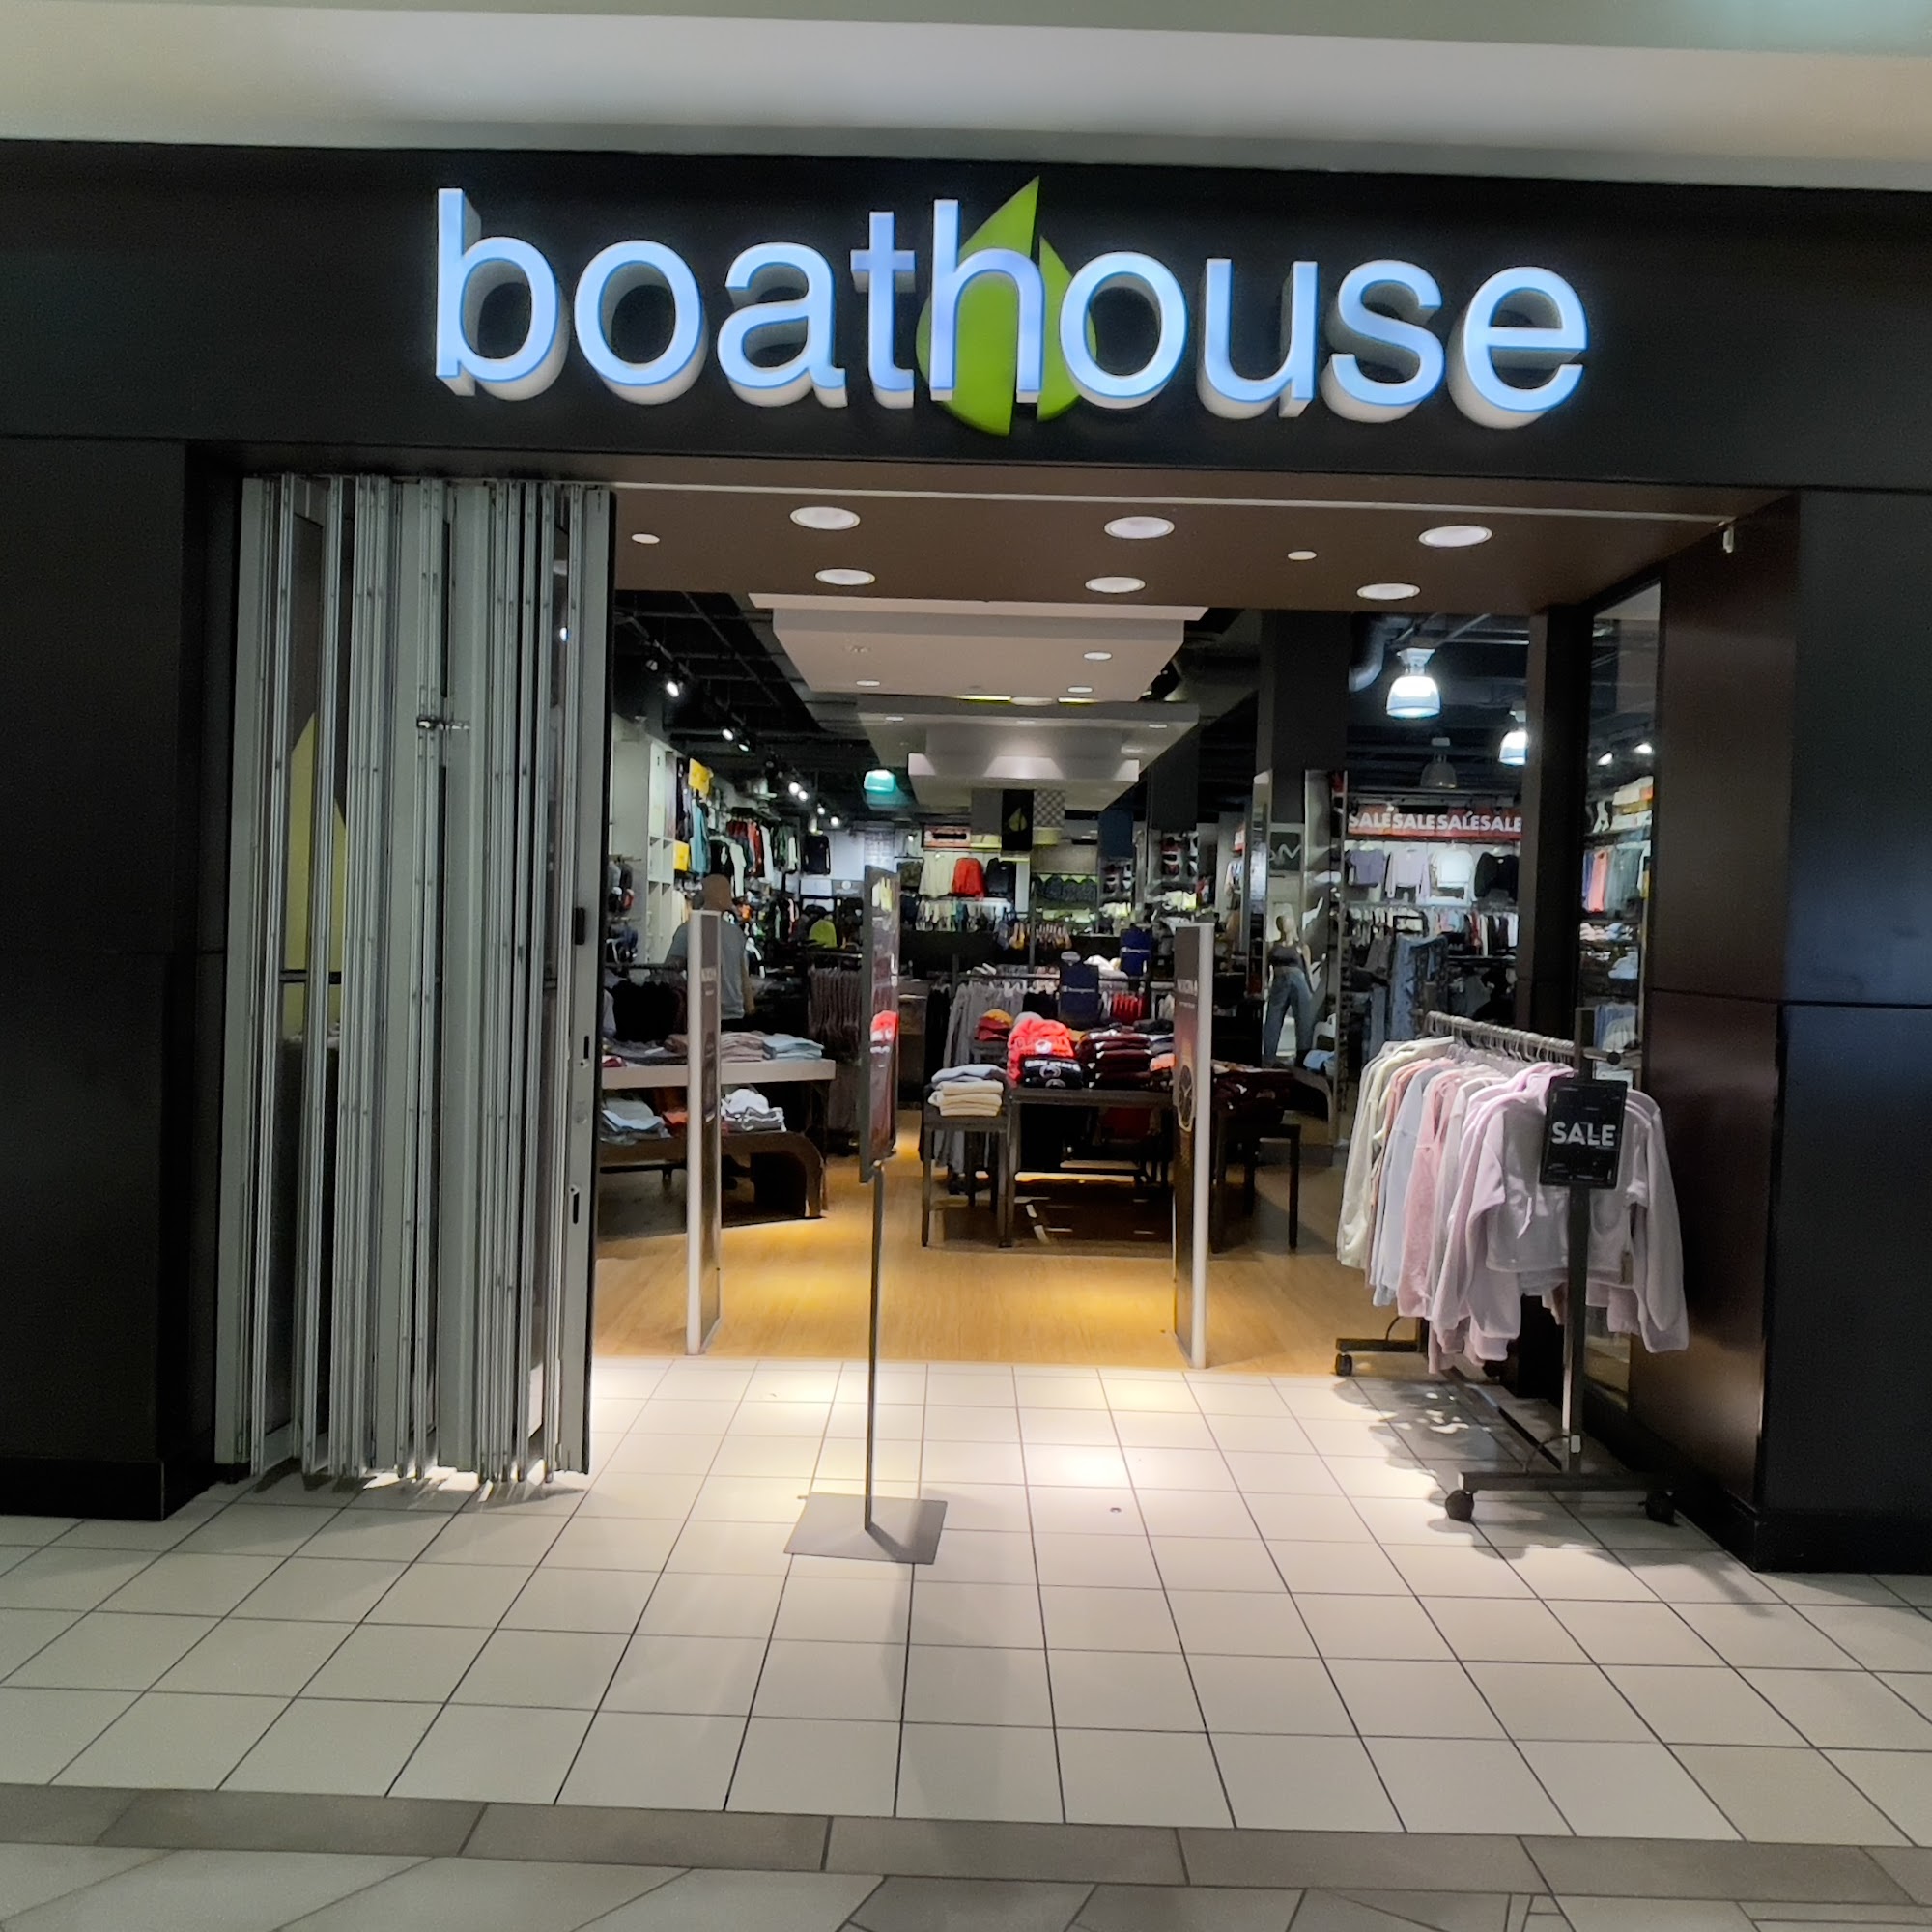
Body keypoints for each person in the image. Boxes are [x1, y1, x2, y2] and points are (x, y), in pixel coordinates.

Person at [664, 871, 753, 1020]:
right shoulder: (733, 933)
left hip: (710, 1015)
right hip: (724, 1015)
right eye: (725, 891)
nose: (730, 896)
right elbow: (744, 977)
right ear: (714, 895)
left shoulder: (689, 929)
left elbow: (670, 970)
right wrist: (750, 1010)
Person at [1263, 914, 1317, 1064]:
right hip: (1279, 982)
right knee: (1273, 1019)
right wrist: (1265, 986)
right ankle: (1269, 1057)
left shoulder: (1301, 947)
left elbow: (1307, 970)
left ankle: (1302, 1059)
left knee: (1303, 1021)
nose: (1284, 926)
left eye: (1287, 922)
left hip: (1298, 981)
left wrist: (1312, 989)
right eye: (1281, 923)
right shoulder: (1272, 946)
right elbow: (1266, 969)